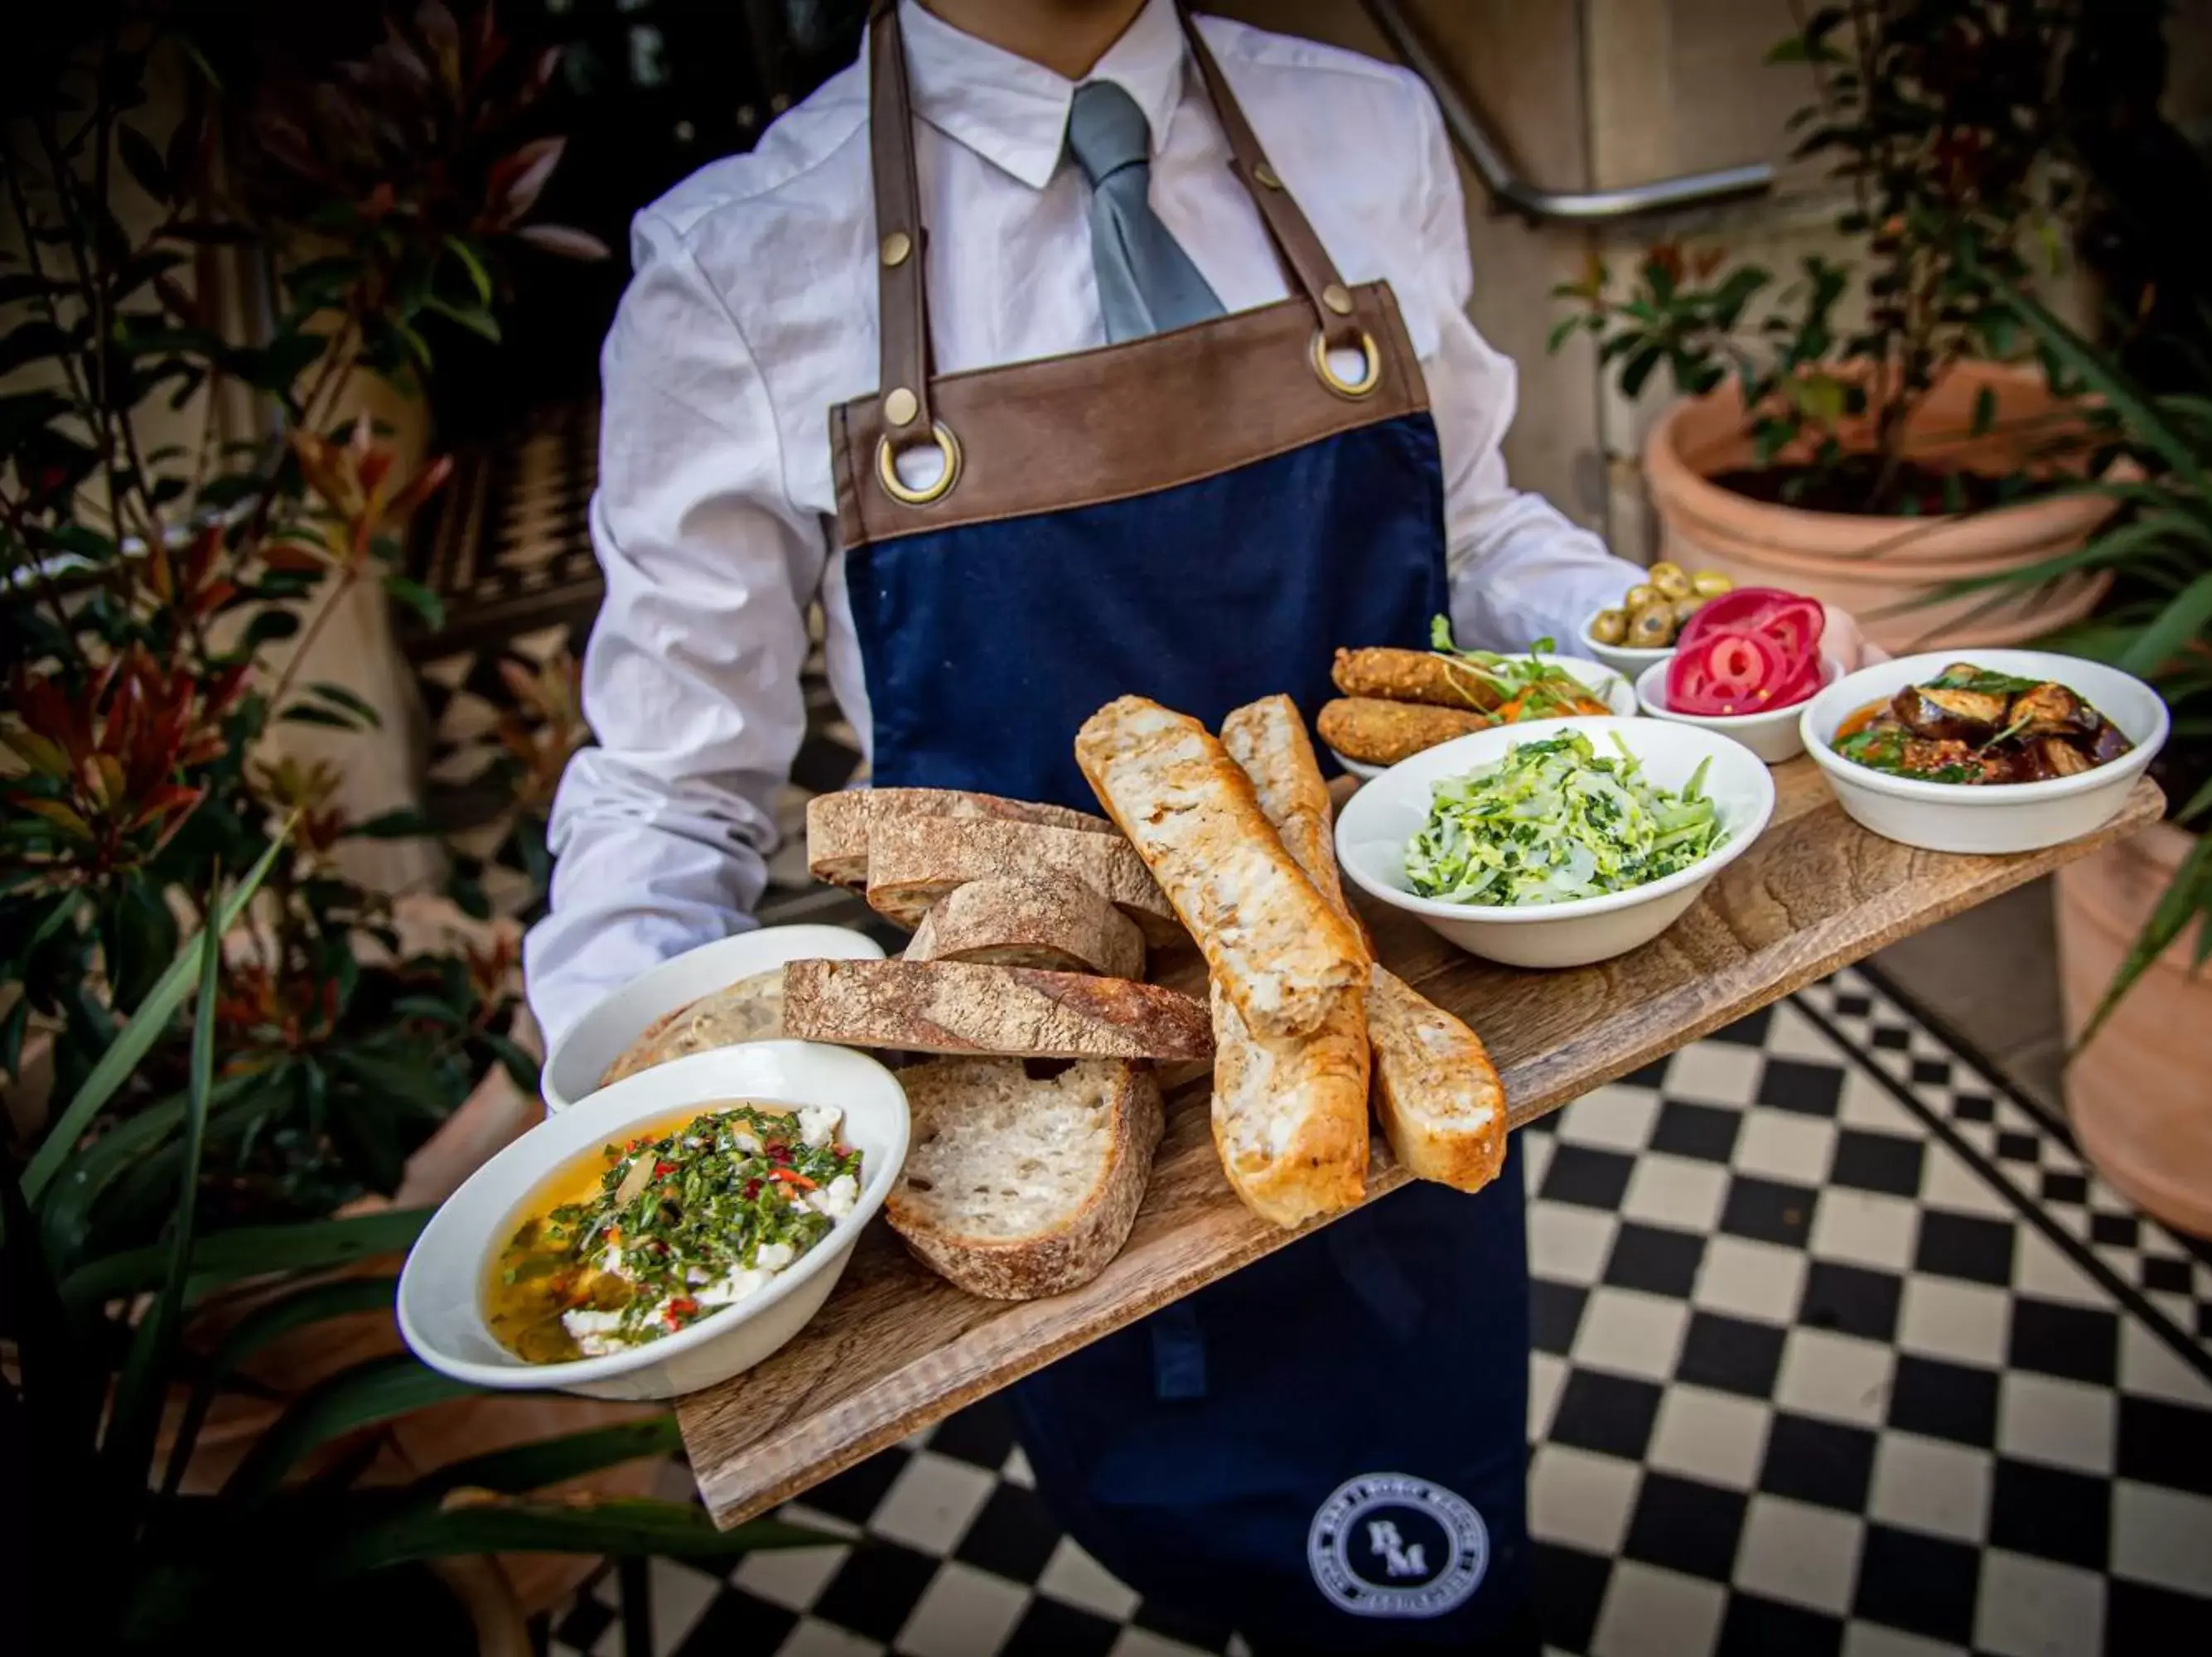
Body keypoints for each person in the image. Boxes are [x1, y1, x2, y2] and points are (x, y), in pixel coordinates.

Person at [527, 2, 1877, 1647]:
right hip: (1063, 1137)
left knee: (1432, 1558)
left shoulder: (1365, 128)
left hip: (1396, 1053)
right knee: (1195, 1528)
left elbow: (1475, 536)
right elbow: (670, 790)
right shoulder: (740, 267)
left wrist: (1702, 650)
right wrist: (625, 1115)